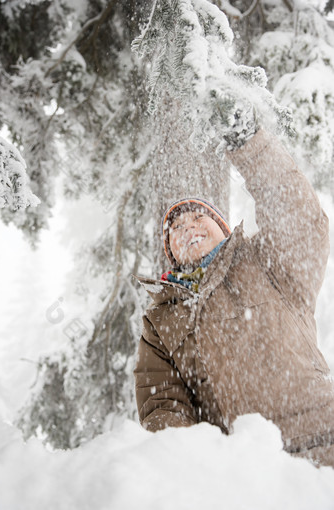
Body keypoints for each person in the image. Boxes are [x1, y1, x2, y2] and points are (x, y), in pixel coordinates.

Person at [133, 127, 334, 468]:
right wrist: (198, 469)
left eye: (199, 217)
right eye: (176, 229)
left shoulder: (265, 260)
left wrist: (249, 145)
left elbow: (297, 218)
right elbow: (163, 404)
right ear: (171, 254)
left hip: (321, 440)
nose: (189, 227)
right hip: (243, 470)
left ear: (224, 229)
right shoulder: (161, 319)